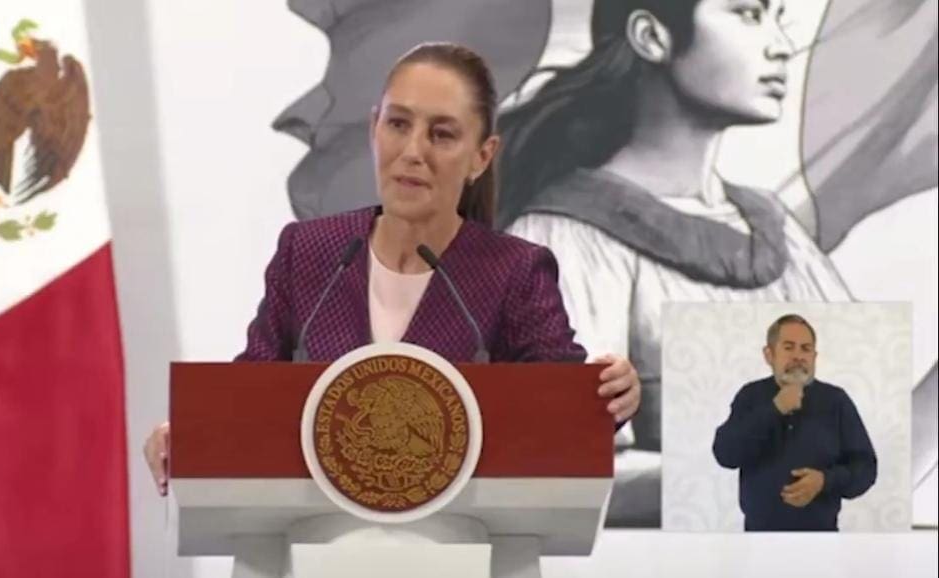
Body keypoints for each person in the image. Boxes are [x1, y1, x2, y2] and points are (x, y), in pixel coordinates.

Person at [144, 42, 641, 495]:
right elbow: (251, 393)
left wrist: (613, 395)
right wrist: (188, 437)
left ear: (481, 157)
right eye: (398, 124)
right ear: (373, 129)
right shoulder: (310, 253)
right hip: (315, 542)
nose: (412, 152)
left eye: (441, 134)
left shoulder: (514, 272)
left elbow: (564, 410)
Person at [497, 0, 852, 526]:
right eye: (748, 14)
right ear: (651, 36)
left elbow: (871, 446)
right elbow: (556, 476)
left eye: (778, 18)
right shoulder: (561, 239)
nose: (781, 46)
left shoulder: (779, 233)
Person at [712, 314, 877, 531]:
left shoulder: (836, 401)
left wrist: (825, 480)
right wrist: (775, 409)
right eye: (789, 347)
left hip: (821, 540)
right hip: (758, 539)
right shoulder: (750, 396)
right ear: (769, 354)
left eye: (806, 349)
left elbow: (865, 469)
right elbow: (725, 454)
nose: (798, 356)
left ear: (814, 357)